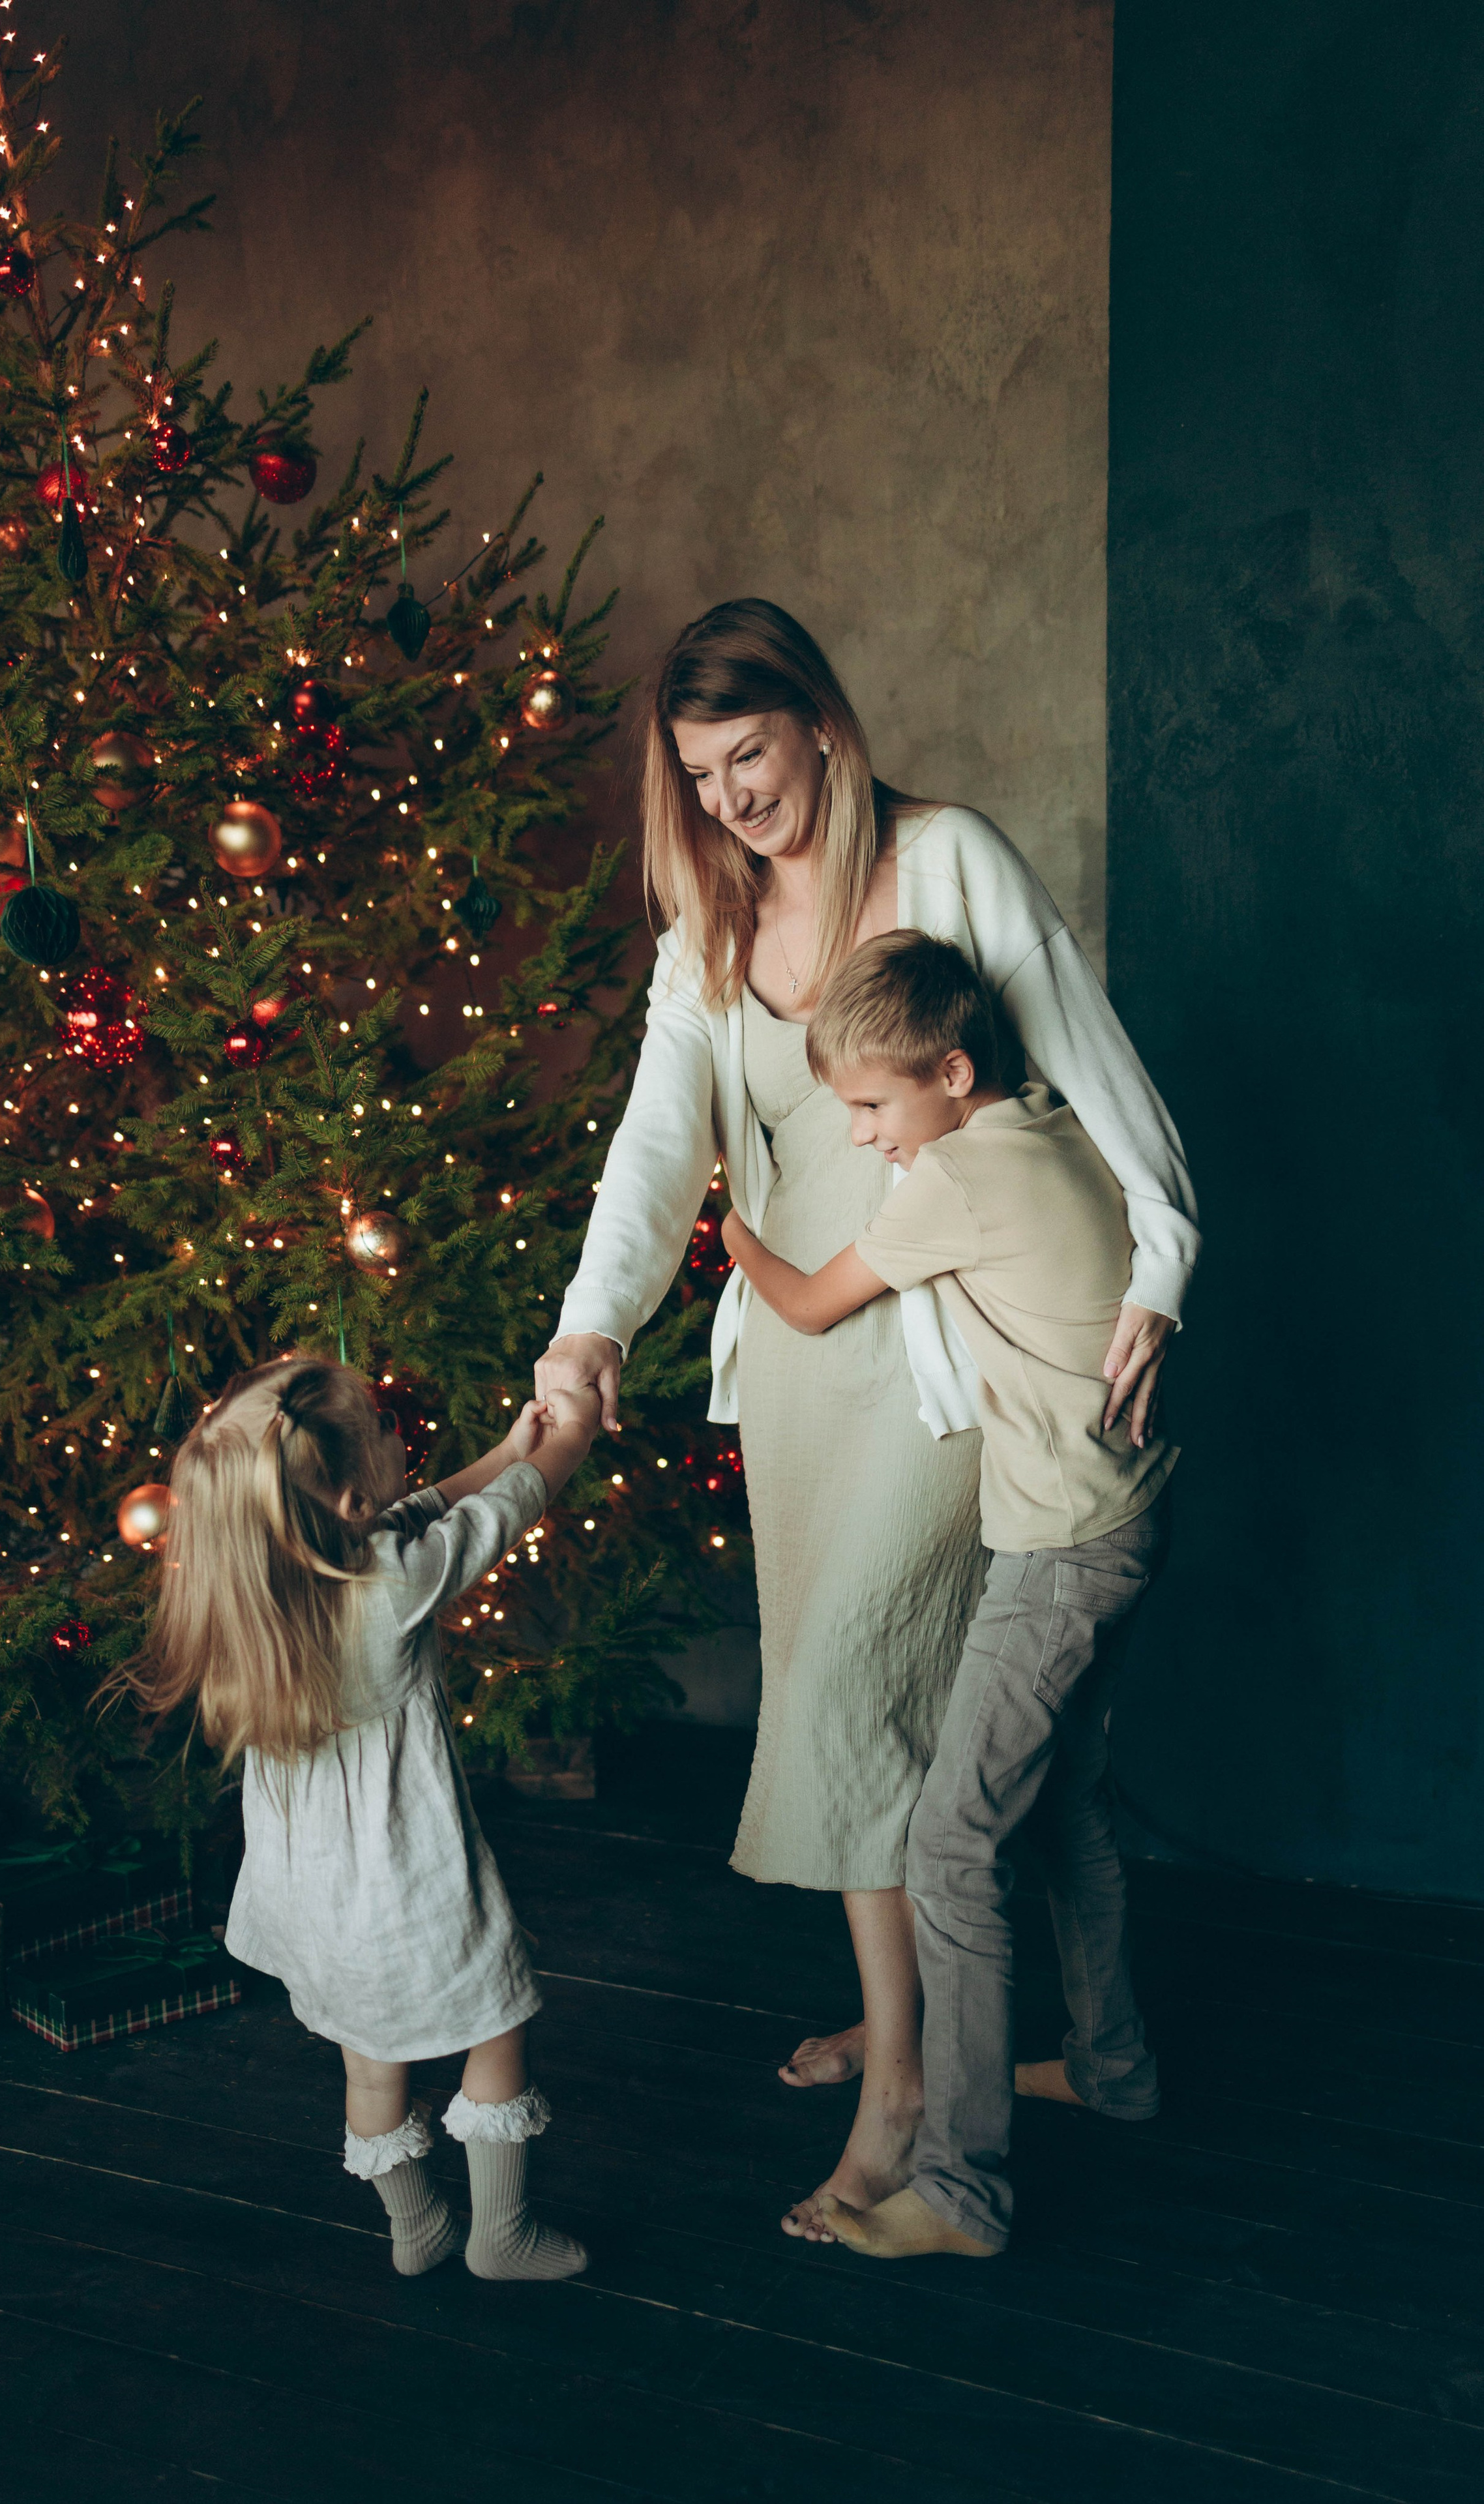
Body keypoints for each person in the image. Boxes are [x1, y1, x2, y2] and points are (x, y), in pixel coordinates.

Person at [536, 599, 1197, 2239]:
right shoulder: (710, 926)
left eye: (745, 757)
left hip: (934, 1369)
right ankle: (947, 2028)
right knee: (884, 1717)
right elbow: (649, 1151)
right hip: (800, 1390)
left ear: (820, 723)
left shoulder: (949, 861)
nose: (728, 802)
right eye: (697, 778)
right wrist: (588, 1326)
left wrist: (1165, 1259)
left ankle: (906, 2085)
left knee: (849, 1694)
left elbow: (1082, 1061)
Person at [722, 930, 1176, 2258]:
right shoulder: (1046, 1128)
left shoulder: (953, 1179)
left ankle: (960, 2191)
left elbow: (807, 1305)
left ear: (951, 1072)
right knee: (1064, 1806)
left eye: (871, 1104)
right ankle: (1110, 2067)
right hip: (1131, 1510)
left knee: (949, 1841)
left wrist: (732, 1221)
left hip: (1060, 1552)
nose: (860, 1136)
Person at [117, 1354, 601, 2282]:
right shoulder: (386, 1588)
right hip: (407, 1882)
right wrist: (567, 1438)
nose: (393, 1438)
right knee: (497, 2025)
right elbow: (489, 1522)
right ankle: (501, 2236)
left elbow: (415, 1514)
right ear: (341, 1508)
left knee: (371, 2068)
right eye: (381, 1432)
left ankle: (415, 2225)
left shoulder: (250, 1595)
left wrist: (505, 1446)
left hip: (313, 1899)